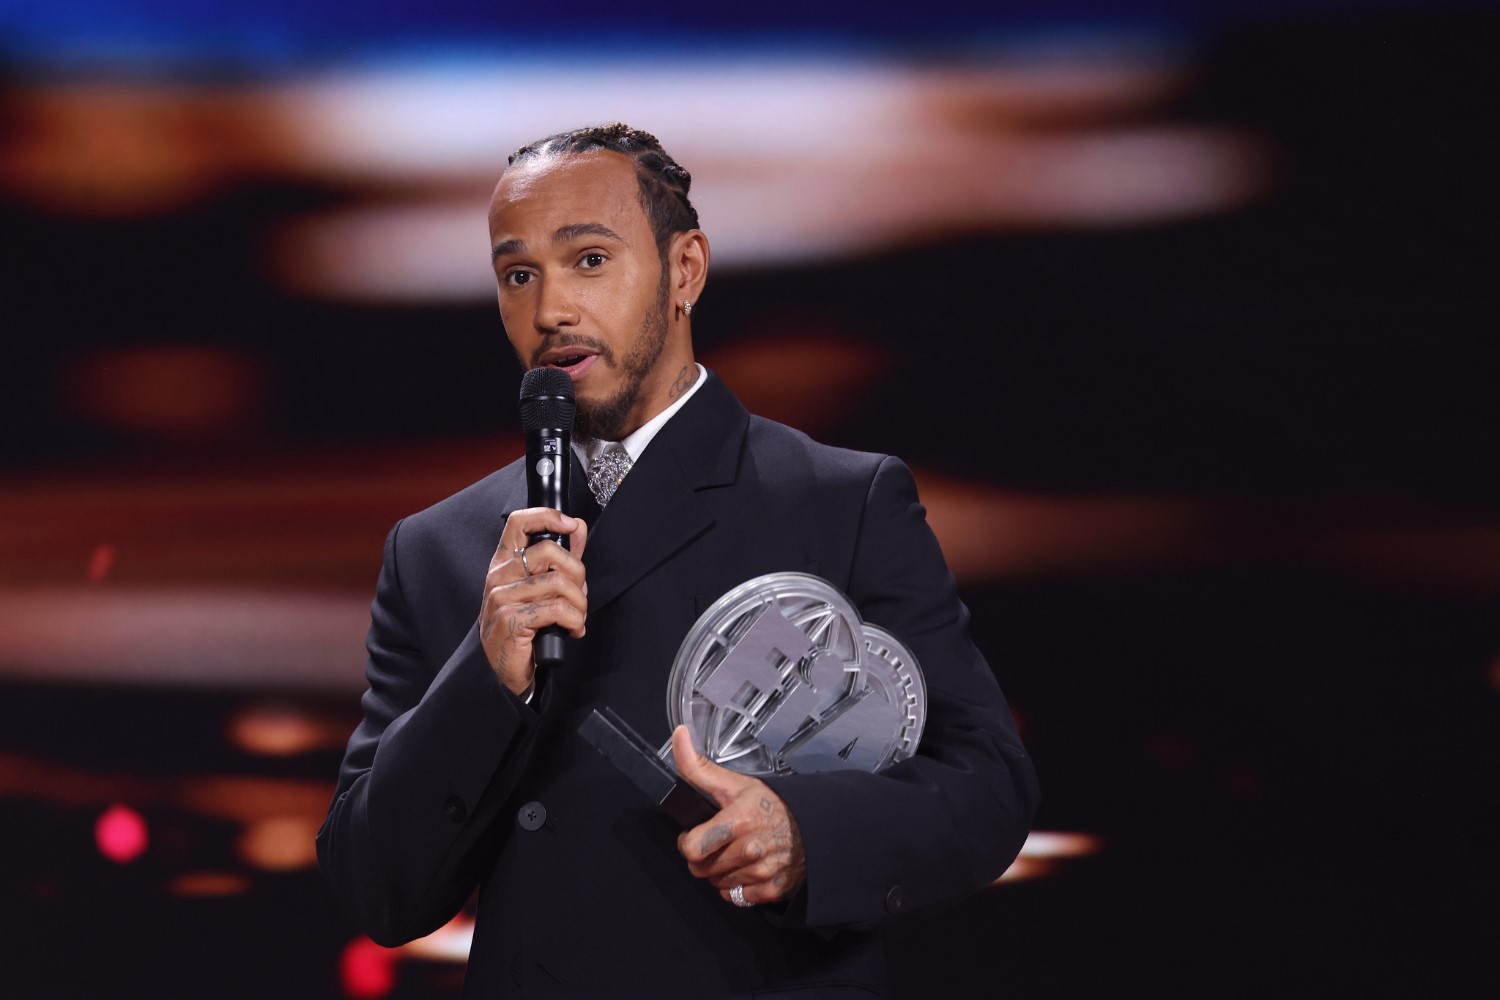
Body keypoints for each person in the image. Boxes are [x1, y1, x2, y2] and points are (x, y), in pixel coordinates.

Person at [317, 122, 1039, 998]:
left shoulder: (838, 499)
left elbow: (986, 783)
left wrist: (808, 835)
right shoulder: (439, 549)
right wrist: (485, 675)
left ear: (686, 270)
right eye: (519, 274)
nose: (551, 311)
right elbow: (372, 887)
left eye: (589, 260)